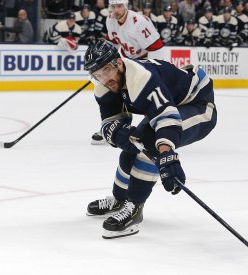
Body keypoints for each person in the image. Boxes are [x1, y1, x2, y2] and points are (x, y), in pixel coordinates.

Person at [84, 40, 217, 239]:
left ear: (119, 63)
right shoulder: (103, 87)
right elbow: (110, 121)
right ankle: (119, 200)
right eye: (97, 75)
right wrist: (117, 133)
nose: (104, 79)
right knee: (131, 149)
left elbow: (167, 118)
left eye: (107, 70)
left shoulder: (141, 78)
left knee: (152, 143)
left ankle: (135, 208)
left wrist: (167, 155)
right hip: (171, 102)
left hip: (198, 103)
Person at [90, 0, 163, 145]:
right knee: (105, 89)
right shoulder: (110, 20)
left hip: (144, 63)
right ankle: (112, 126)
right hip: (125, 61)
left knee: (145, 97)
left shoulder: (139, 23)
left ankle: (160, 129)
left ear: (126, 6)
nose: (116, 10)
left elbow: (157, 49)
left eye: (119, 6)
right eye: (113, 7)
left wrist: (152, 72)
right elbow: (114, 44)